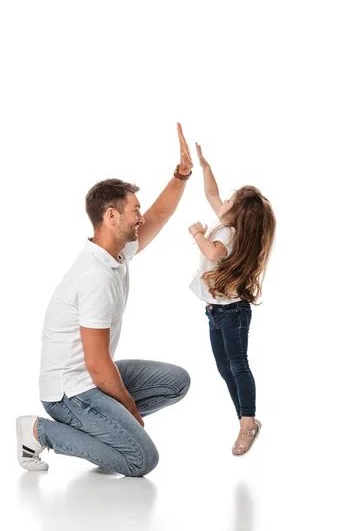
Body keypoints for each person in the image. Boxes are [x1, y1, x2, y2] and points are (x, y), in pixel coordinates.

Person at [16, 123, 193, 476]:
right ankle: (38, 431)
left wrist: (181, 174)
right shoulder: (95, 277)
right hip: (70, 393)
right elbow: (98, 366)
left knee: (176, 381)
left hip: (89, 379)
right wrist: (129, 408)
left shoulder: (117, 253)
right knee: (141, 460)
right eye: (134, 211)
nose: (141, 217)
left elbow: (160, 214)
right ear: (111, 217)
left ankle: (105, 436)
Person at [188, 142, 276, 457]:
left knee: (237, 365)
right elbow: (212, 195)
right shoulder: (227, 222)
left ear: (237, 211)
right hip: (217, 311)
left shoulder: (226, 233)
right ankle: (245, 417)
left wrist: (197, 233)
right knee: (225, 366)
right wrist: (205, 166)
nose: (223, 200)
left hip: (231, 313)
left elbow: (212, 251)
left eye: (231, 199)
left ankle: (247, 422)